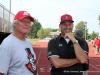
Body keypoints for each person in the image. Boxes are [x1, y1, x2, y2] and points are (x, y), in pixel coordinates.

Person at [0, 11, 37, 75]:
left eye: (29, 22)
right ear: (14, 23)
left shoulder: (27, 41)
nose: (27, 24)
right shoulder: (7, 44)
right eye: (23, 21)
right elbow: (1, 72)